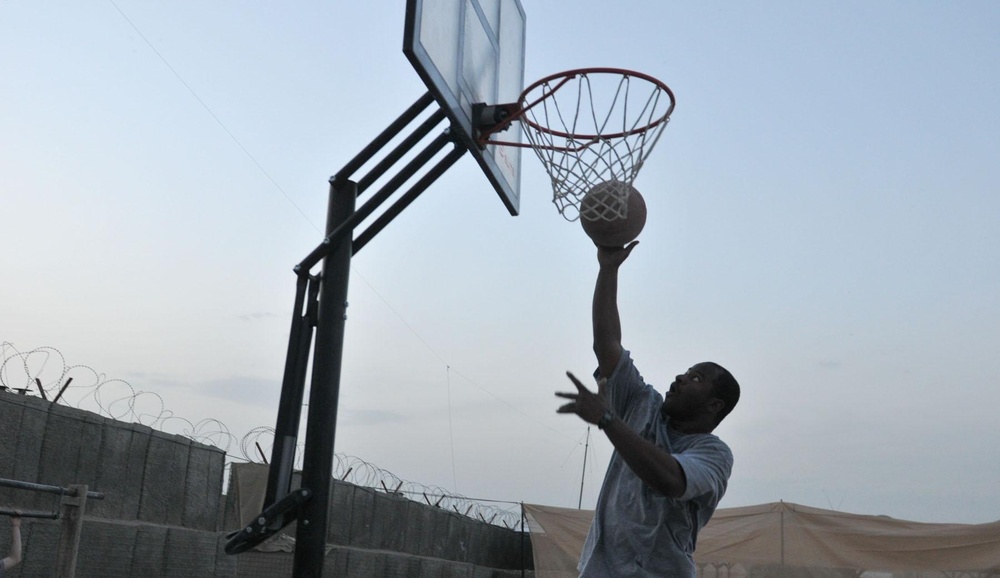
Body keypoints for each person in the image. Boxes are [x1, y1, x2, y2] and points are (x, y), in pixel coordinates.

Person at [556, 241, 741, 577]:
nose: (680, 378)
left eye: (695, 377)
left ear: (715, 405)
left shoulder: (714, 454)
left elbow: (669, 479)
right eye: (685, 372)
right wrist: (608, 269)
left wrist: (607, 419)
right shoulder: (644, 404)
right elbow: (607, 343)